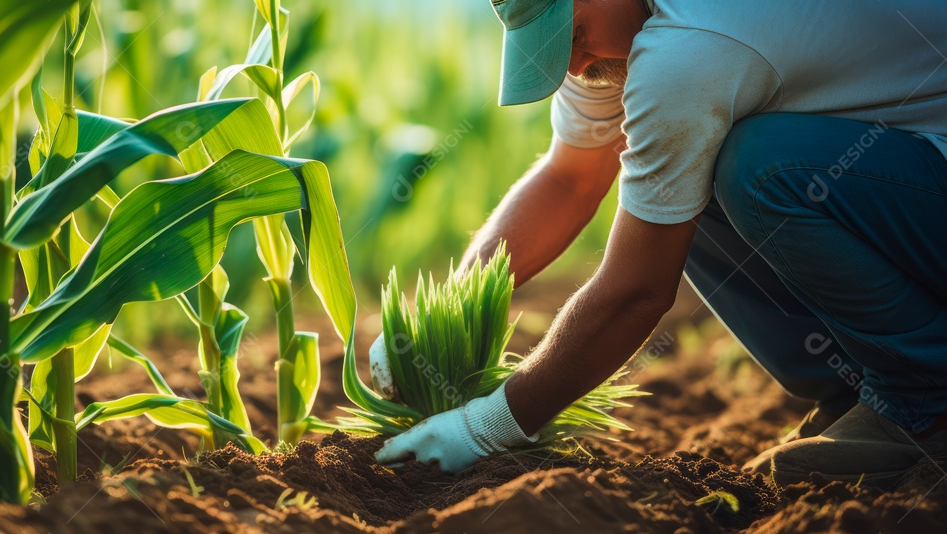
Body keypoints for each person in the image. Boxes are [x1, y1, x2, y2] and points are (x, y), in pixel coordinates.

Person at [373, 0, 947, 488]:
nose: (573, 65)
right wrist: (449, 308)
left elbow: (637, 290)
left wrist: (487, 426)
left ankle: (924, 402)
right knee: (680, 181)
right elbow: (569, 179)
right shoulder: (620, 40)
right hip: (913, 179)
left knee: (760, 168)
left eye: (571, 36)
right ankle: (853, 386)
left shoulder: (689, 47)